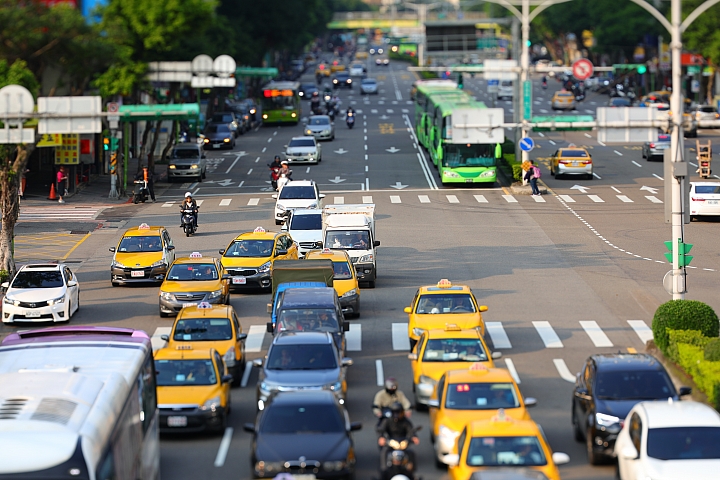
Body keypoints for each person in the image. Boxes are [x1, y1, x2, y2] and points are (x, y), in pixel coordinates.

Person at [376, 402, 419, 470]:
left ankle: (411, 472)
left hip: (403, 442)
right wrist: (381, 437)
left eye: (398, 412)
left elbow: (410, 430)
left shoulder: (406, 422)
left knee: (411, 453)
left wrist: (414, 437)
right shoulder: (387, 421)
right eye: (395, 412)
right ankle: (384, 471)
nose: (397, 414)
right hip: (391, 442)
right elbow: (381, 429)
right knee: (384, 452)